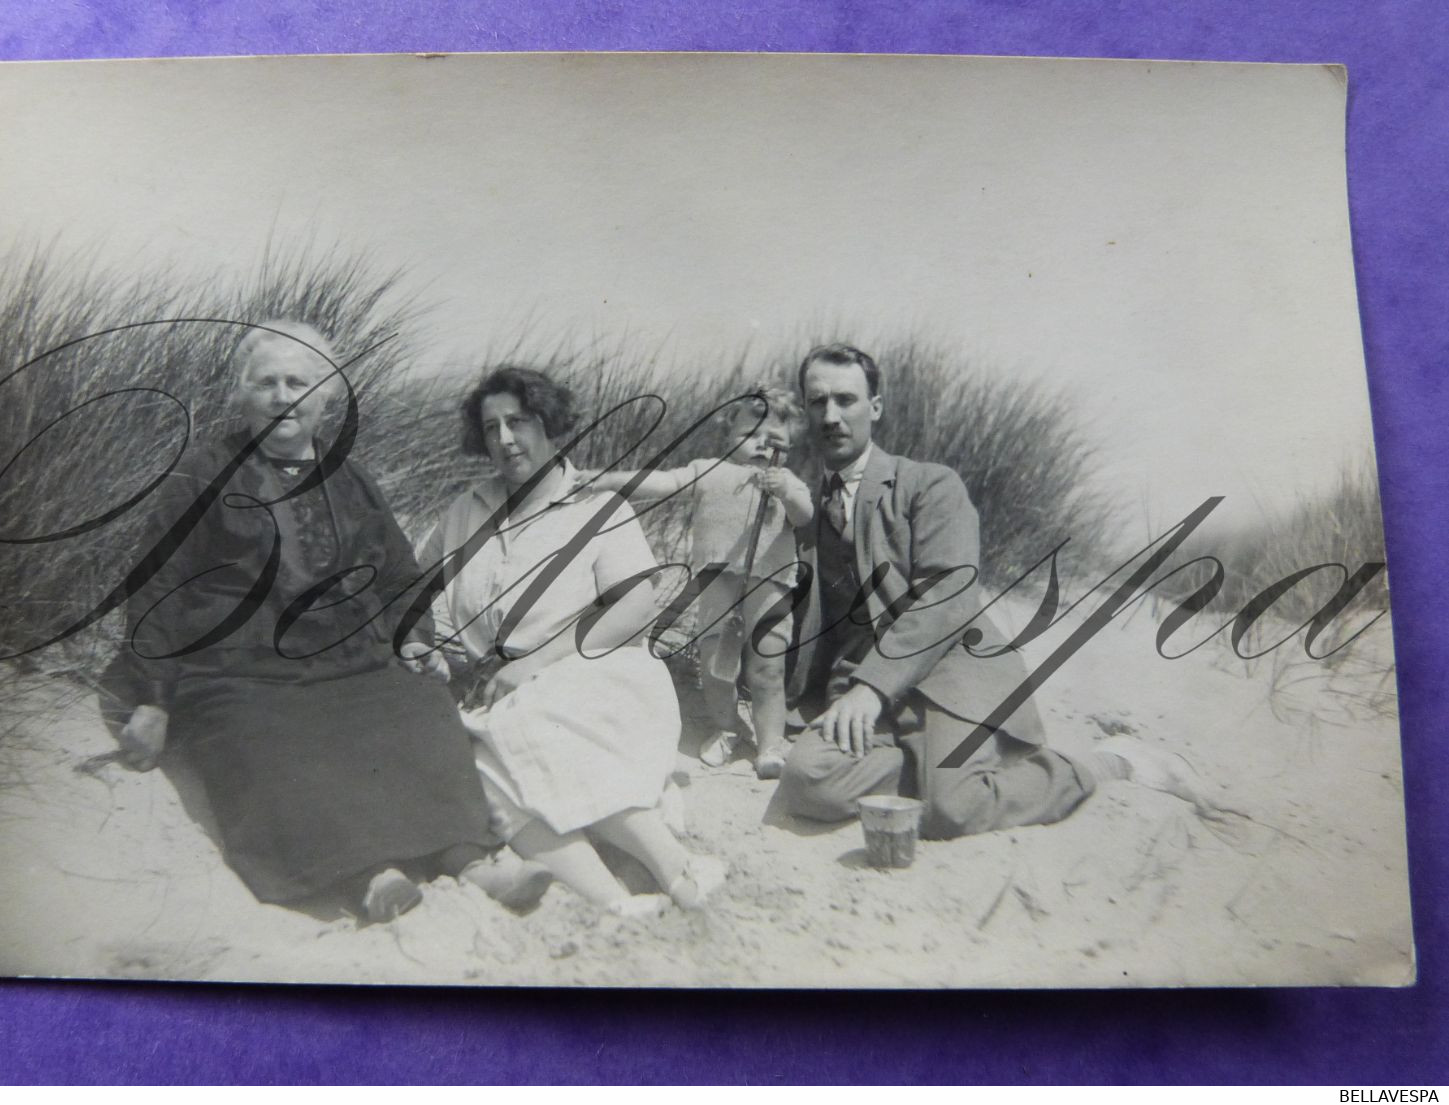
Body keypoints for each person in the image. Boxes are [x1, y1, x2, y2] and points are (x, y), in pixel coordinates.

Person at [103, 321, 550, 924]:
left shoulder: (350, 477)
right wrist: (153, 700)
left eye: (298, 382)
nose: (282, 396)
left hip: (349, 657)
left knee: (420, 705)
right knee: (266, 741)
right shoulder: (202, 474)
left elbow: (394, 572)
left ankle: (469, 855)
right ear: (241, 395)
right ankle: (368, 876)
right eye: (266, 382)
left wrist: (413, 640)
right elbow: (156, 585)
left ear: (326, 395)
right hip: (238, 668)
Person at [774, 344, 1212, 837]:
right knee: (807, 782)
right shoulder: (808, 505)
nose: (831, 416)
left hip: (949, 675)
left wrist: (872, 689)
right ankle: (925, 763)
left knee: (953, 809)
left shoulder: (929, 485)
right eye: (818, 402)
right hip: (860, 683)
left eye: (846, 400)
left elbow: (947, 596)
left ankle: (1111, 763)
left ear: (875, 407)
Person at [430, 366, 727, 916]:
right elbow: (412, 582)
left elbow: (636, 607)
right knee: (479, 771)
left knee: (535, 725)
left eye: (517, 422)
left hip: (597, 673)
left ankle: (676, 870)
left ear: (549, 423)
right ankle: (613, 902)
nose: (504, 440)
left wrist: (535, 663)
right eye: (491, 427)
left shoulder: (597, 506)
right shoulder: (466, 510)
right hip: (499, 691)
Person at [579, 385, 812, 778]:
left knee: (768, 666)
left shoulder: (787, 479)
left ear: (790, 444)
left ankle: (771, 743)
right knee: (716, 666)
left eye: (772, 439)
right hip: (718, 581)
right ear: (728, 434)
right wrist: (609, 480)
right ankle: (727, 729)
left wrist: (785, 490)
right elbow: (665, 482)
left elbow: (804, 516)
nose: (759, 444)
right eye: (748, 434)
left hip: (769, 583)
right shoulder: (709, 471)